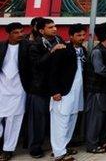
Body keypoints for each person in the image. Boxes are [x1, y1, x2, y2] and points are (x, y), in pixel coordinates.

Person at [48, 23, 86, 161]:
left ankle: (62, 147)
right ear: (71, 36)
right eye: (78, 35)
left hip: (77, 93)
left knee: (71, 120)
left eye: (83, 35)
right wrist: (55, 91)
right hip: (63, 93)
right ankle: (59, 154)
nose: (82, 38)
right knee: (60, 122)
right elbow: (53, 72)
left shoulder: (83, 51)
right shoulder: (63, 50)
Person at [27, 18, 63, 158]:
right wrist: (52, 51)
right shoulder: (35, 45)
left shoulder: (58, 39)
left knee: (57, 118)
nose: (54, 29)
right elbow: (37, 65)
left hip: (56, 87)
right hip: (40, 88)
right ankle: (35, 147)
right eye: (50, 27)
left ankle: (58, 146)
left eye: (55, 26)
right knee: (38, 120)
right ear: (41, 30)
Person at [0, 23, 29, 161]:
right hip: (2, 87)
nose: (20, 34)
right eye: (16, 32)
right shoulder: (1, 46)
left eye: (21, 32)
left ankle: (8, 149)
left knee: (14, 120)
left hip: (19, 89)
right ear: (9, 34)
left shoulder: (27, 47)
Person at [84, 23, 106, 154]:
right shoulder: (97, 51)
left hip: (105, 89)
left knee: (103, 118)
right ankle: (92, 145)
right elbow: (99, 69)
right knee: (95, 119)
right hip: (97, 90)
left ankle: (101, 141)